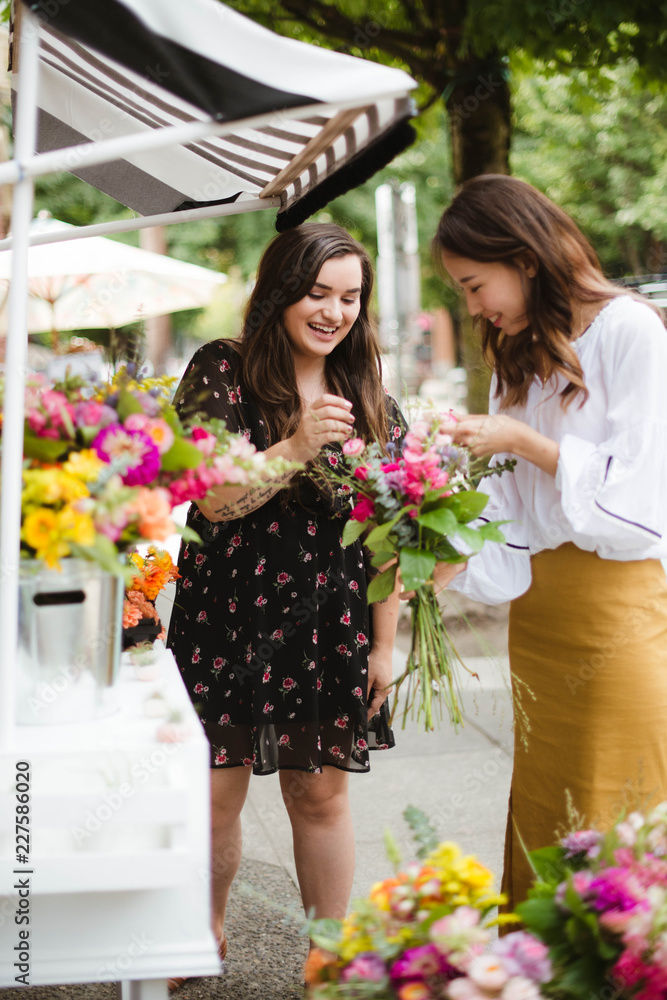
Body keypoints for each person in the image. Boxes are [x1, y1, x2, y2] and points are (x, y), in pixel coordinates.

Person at [166, 223, 404, 988]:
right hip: (226, 618)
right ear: (280, 290)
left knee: (319, 794)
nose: (333, 312)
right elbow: (212, 497)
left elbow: (390, 538)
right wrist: (295, 446)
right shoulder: (222, 372)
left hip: (328, 624)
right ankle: (200, 929)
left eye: (349, 297)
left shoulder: (369, 394)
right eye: (317, 293)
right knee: (211, 795)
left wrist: (384, 645)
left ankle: (326, 959)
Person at [427, 174, 667, 910]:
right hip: (538, 620)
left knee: (617, 809)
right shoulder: (516, 356)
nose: (472, 308)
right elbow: (508, 513)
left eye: (473, 285)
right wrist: (434, 539)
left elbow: (643, 499)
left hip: (616, 613)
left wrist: (528, 443)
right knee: (547, 805)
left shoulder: (630, 330)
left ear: (521, 257)